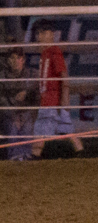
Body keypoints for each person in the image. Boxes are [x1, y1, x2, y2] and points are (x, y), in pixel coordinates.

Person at [31, 21, 85, 159]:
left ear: (51, 34)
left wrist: (64, 99)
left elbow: (63, 75)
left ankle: (35, 156)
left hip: (52, 101)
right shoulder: (46, 53)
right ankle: (81, 152)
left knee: (40, 131)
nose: (39, 36)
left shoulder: (54, 51)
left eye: (43, 32)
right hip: (52, 100)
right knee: (66, 129)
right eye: (38, 33)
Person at [0, 47, 38, 162]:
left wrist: (26, 93)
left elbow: (38, 93)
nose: (16, 60)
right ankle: (15, 157)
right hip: (9, 114)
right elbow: (0, 99)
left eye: (19, 57)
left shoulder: (33, 74)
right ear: (8, 60)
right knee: (12, 125)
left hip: (28, 113)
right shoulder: (1, 76)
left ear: (23, 60)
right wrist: (12, 112)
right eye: (12, 58)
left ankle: (26, 156)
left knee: (26, 123)